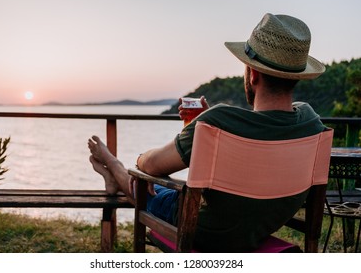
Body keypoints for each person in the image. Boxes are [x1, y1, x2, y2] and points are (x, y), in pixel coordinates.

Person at [88, 13, 327, 252]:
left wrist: (142, 160)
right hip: (263, 224)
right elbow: (265, 131)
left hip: (202, 230)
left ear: (252, 74)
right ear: (296, 77)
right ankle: (112, 179)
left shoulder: (218, 120)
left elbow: (152, 165)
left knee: (139, 181)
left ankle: (111, 163)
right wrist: (210, 123)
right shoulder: (311, 121)